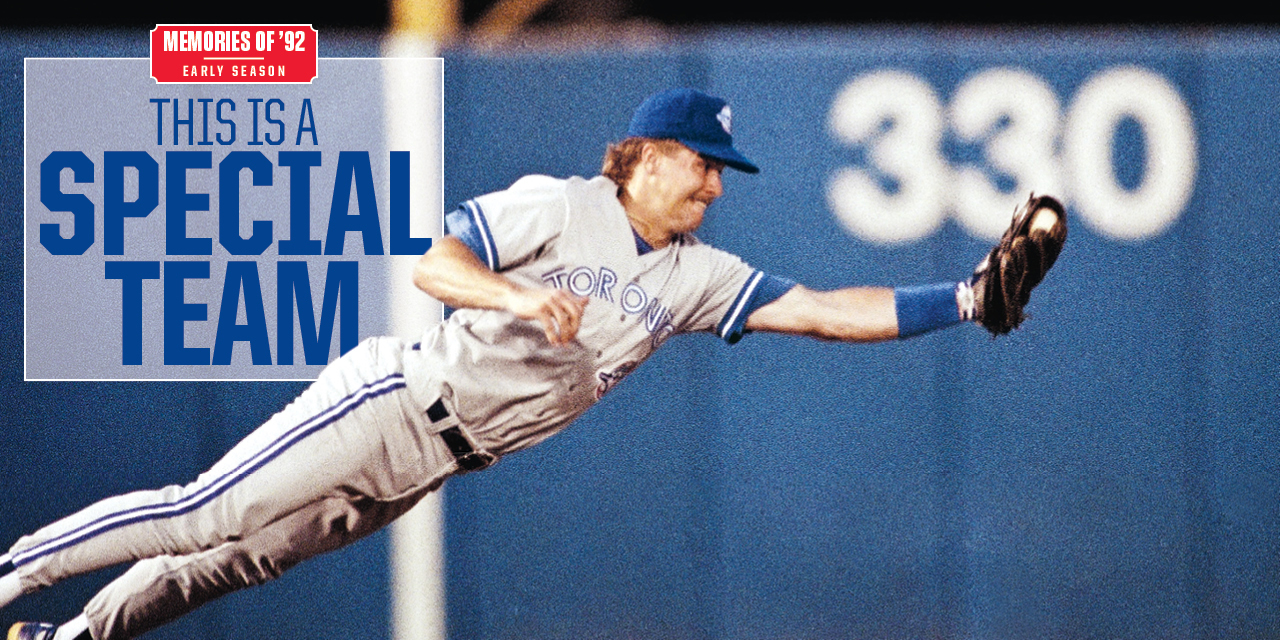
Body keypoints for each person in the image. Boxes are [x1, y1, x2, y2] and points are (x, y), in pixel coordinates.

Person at [2, 88, 1056, 640]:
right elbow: (432, 260)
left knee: (238, 560)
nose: (714, 187)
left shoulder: (693, 273)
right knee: (206, 512)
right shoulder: (563, 202)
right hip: (392, 400)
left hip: (432, 464)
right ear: (640, 157)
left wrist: (961, 301)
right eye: (701, 165)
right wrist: (513, 292)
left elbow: (827, 310)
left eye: (720, 172)